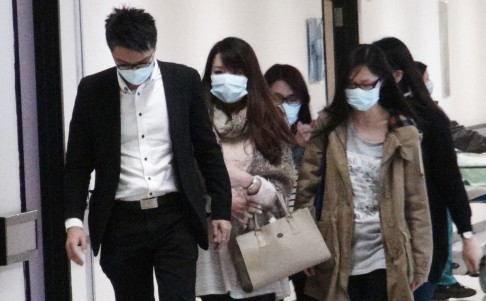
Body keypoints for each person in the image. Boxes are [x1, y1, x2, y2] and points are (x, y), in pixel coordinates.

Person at [63, 7, 232, 300]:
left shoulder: (183, 81)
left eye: (141, 63)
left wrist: (221, 209)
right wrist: (74, 222)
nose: (133, 72)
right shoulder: (93, 91)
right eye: (122, 65)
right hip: (120, 221)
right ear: (112, 53)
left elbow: (207, 150)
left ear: (153, 47)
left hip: (174, 215)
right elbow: (77, 163)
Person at [295, 44, 433, 301]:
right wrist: (304, 247)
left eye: (366, 84)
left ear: (383, 82)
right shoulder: (329, 126)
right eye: (352, 84)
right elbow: (306, 188)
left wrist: (421, 262)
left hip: (388, 253)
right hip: (335, 249)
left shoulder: (404, 132)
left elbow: (417, 202)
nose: (358, 91)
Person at [373, 37, 481, 301]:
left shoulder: (427, 119)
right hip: (375, 244)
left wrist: (467, 234)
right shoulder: (366, 119)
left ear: (397, 75)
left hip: (421, 239)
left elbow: (449, 180)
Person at [195, 37, 295, 301]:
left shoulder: (271, 118)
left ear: (249, 76)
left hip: (260, 244)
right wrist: (219, 203)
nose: (227, 79)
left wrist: (248, 182)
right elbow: (185, 178)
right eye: (219, 72)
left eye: (236, 72)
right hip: (212, 251)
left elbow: (282, 187)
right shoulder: (196, 119)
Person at [416, 60, 485, 300]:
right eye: (426, 79)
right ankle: (443, 279)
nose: (429, 83)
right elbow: (456, 138)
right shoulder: (421, 115)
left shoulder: (428, 112)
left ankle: (443, 277)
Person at [264, 64, 316, 301]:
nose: (284, 105)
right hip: (271, 236)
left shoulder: (315, 137)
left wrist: (305, 149)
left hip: (306, 233)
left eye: (292, 99)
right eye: (277, 98)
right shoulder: (257, 138)